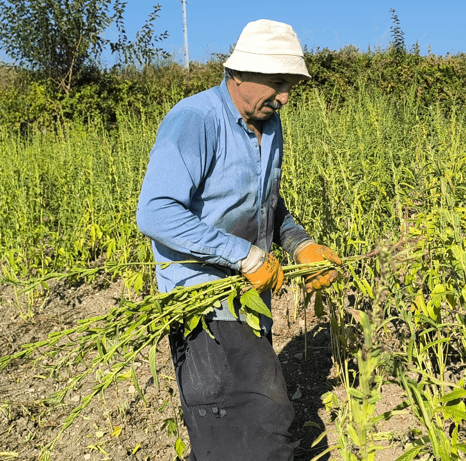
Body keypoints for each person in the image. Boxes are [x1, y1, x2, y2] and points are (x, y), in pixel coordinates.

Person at [136, 19, 341, 461]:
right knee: (260, 428)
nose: (285, 97)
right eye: (278, 83)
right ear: (240, 73)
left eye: (290, 86)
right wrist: (243, 255)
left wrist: (298, 243)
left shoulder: (268, 124)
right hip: (202, 301)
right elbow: (156, 212)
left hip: (248, 296)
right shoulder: (195, 120)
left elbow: (266, 203)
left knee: (233, 431)